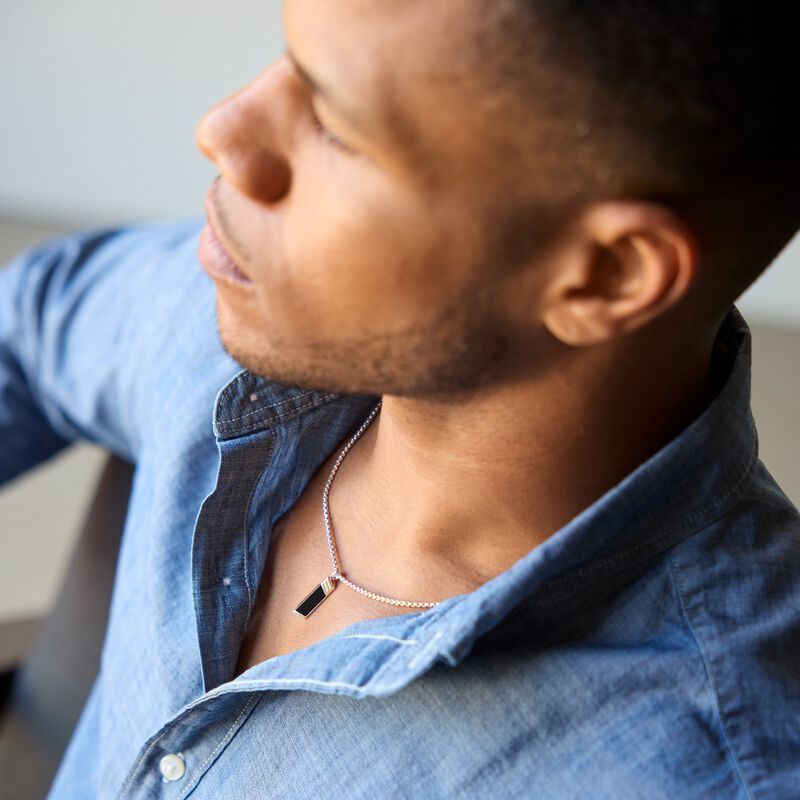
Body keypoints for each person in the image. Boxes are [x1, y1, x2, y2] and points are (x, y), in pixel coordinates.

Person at [1, 0, 798, 797]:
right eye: (290, 58)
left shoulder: (714, 767)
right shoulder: (241, 315)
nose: (224, 129)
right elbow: (31, 321)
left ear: (606, 275)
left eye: (337, 125)